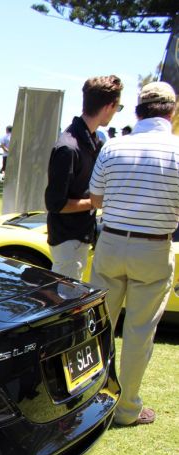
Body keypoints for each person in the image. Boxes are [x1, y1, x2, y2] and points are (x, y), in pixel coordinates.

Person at [87, 81, 179, 427]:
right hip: (153, 245)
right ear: (170, 112)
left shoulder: (113, 147)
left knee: (100, 328)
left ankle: (92, 399)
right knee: (140, 331)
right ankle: (126, 408)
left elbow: (96, 199)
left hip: (111, 240)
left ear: (138, 110)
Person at [44, 75, 123, 280]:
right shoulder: (69, 147)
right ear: (110, 105)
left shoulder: (91, 141)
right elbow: (55, 203)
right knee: (65, 299)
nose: (116, 113)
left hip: (80, 234)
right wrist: (96, 202)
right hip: (68, 239)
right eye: (118, 108)